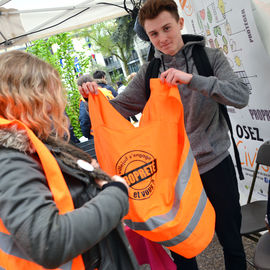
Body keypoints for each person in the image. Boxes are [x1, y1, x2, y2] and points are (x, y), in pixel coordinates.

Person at [79, 0, 250, 269]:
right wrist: (93, 99)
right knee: (181, 248)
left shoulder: (210, 58)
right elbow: (117, 109)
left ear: (180, 23)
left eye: (167, 28)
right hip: (174, 176)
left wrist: (192, 80)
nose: (162, 38)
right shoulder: (149, 72)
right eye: (153, 34)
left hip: (214, 165)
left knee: (231, 241)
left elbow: (240, 96)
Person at [0, 50, 139, 270]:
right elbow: (49, 242)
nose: (56, 105)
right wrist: (116, 194)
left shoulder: (33, 142)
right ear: (28, 97)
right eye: (49, 94)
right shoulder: (10, 159)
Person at [78, 74, 115, 139]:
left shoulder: (85, 99)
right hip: (115, 127)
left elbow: (84, 120)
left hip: (99, 134)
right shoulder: (106, 91)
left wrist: (87, 135)